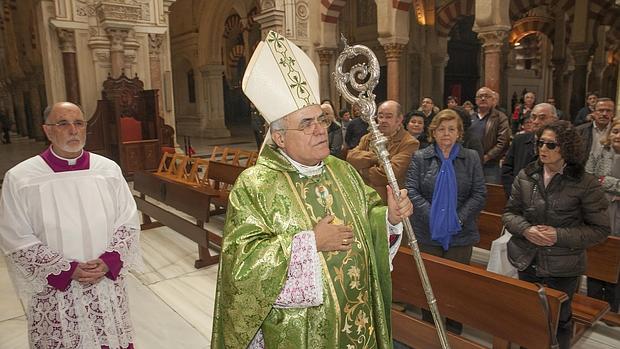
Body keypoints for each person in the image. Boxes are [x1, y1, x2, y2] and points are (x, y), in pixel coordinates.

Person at [211, 30, 413, 349]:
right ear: (279, 137)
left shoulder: (342, 170)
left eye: (320, 119)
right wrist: (310, 243)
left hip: (358, 326)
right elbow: (242, 268)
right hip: (302, 335)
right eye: (306, 124)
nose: (320, 130)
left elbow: (368, 219)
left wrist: (388, 217)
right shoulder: (256, 185)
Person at [0, 102, 141, 348]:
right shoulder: (21, 177)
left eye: (78, 123)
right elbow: (15, 236)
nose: (73, 130)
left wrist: (110, 260)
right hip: (57, 289)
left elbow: (128, 221)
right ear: (47, 130)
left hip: (104, 280)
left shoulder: (107, 170)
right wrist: (65, 269)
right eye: (63, 123)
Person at [503, 120, 609, 349]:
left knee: (558, 324)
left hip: (563, 266)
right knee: (530, 320)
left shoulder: (584, 183)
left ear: (567, 148)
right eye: (541, 143)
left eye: (551, 145)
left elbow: (600, 229)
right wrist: (526, 229)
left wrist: (558, 235)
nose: (543, 148)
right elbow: (510, 214)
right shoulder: (526, 175)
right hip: (527, 260)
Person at [405, 108, 487, 334]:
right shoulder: (421, 157)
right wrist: (434, 215)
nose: (446, 134)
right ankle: (430, 332)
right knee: (428, 285)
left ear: (459, 133)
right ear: (433, 132)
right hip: (427, 231)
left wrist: (457, 219)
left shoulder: (470, 158)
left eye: (451, 129)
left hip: (460, 233)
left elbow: (479, 194)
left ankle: (453, 332)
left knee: (454, 287)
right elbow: (411, 190)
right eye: (441, 129)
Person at [347, 100, 420, 203]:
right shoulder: (368, 137)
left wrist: (362, 170)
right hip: (363, 198)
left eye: (389, 117)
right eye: (380, 116)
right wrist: (376, 158)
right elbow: (350, 158)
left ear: (399, 119)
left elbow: (389, 174)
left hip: (389, 202)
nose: (383, 120)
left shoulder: (409, 143)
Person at [585, 117, 620, 313]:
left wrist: (605, 181)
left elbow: (600, 180)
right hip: (600, 210)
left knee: (617, 260)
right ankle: (593, 304)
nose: (618, 135)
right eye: (615, 131)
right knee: (598, 255)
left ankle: (614, 308)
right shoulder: (599, 152)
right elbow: (589, 177)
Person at [501, 103, 559, 197]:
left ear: (554, 120)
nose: (536, 121)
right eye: (533, 117)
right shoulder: (519, 140)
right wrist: (513, 192)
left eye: (542, 118)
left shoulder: (560, 143)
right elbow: (507, 169)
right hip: (519, 197)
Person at [471, 86, 511, 184]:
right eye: (480, 96)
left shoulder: (500, 117)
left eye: (486, 96)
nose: (483, 98)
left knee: (490, 195)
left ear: (493, 100)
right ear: (476, 100)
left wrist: (487, 157)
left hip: (490, 165)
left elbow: (503, 142)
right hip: (470, 163)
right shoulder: (469, 116)